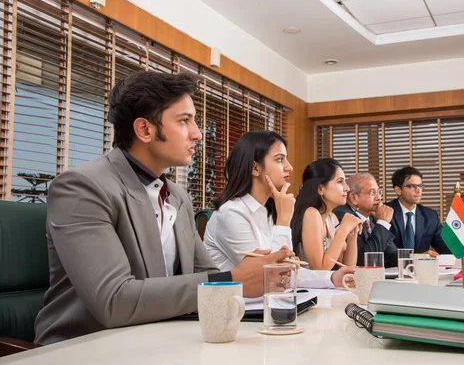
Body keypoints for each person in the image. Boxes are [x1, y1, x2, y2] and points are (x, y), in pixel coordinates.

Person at [34, 72, 293, 345]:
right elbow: (114, 301)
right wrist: (233, 279)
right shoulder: (82, 187)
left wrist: (244, 273)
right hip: (82, 348)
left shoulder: (178, 196)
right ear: (145, 130)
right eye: (184, 121)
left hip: (160, 341)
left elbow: (205, 273)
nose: (198, 133)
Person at [204, 131, 354, 287]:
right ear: (255, 167)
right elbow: (273, 277)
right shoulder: (231, 213)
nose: (289, 167)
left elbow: (289, 273)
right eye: (280, 159)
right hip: (234, 307)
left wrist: (331, 278)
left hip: (263, 303)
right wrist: (283, 220)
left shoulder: (268, 211)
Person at [291, 158, 362, 270]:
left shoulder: (331, 218)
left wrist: (352, 236)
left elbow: (348, 268)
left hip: (321, 287)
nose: (347, 188)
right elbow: (319, 269)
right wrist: (343, 230)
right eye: (340, 182)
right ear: (320, 188)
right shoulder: (311, 213)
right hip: (304, 286)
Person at [333, 173, 397, 267]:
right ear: (354, 198)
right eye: (372, 193)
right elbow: (364, 261)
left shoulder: (372, 218)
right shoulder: (344, 217)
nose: (379, 198)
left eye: (379, 192)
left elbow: (392, 256)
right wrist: (383, 223)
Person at [385, 166, 450, 256]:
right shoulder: (385, 212)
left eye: (420, 186)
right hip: (392, 269)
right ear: (398, 190)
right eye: (413, 186)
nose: (418, 191)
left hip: (422, 269)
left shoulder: (430, 216)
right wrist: (418, 258)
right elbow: (388, 252)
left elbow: (445, 247)